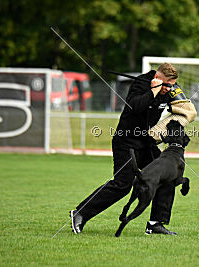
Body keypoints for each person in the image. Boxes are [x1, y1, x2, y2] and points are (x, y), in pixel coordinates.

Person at [70, 63, 179, 235]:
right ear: (157, 79)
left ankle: (155, 223)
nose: (169, 89)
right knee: (122, 185)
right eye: (166, 85)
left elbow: (182, 104)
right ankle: (80, 213)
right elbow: (135, 106)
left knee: (167, 175)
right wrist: (153, 91)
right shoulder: (141, 84)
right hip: (126, 142)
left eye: (171, 86)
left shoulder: (170, 88)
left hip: (146, 142)